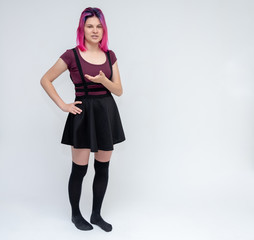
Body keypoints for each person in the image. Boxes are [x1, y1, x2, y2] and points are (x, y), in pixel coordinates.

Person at [40, 7, 126, 232]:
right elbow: (46, 79)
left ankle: (96, 215)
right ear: (82, 29)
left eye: (99, 26)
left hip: (106, 114)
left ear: (103, 29)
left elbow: (118, 90)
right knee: (80, 169)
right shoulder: (71, 55)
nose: (95, 30)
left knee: (103, 168)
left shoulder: (110, 55)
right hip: (83, 115)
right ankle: (76, 215)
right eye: (90, 26)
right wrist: (63, 105)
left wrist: (102, 80)